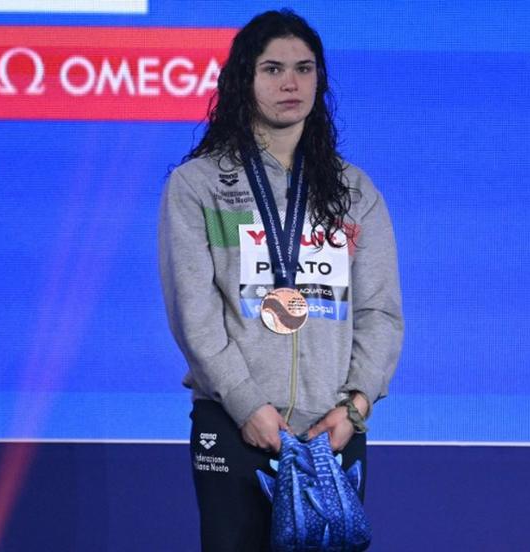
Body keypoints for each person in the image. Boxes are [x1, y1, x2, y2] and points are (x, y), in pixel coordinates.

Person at [158, 9, 403, 551]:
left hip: (332, 432)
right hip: (233, 421)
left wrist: (355, 409)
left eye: (304, 68)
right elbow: (193, 314)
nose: (290, 82)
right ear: (244, 80)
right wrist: (248, 406)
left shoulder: (354, 191)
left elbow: (380, 312)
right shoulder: (198, 185)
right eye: (272, 69)